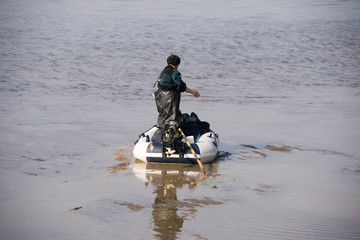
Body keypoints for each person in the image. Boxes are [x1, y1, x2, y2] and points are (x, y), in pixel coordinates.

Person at [154, 55, 200, 128]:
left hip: (160, 99)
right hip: (170, 98)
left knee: (164, 116)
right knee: (173, 118)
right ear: (177, 64)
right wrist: (193, 92)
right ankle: (172, 130)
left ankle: (163, 127)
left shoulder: (163, 72)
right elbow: (181, 86)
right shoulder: (174, 73)